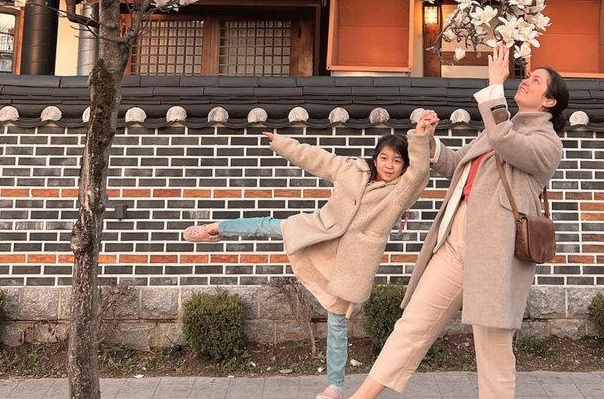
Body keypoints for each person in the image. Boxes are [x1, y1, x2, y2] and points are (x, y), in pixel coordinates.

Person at [349, 44, 568, 399]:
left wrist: (495, 88)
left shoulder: (547, 142)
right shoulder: (499, 126)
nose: (526, 81)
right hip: (454, 242)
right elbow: (456, 165)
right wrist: (427, 141)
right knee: (412, 326)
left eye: (536, 80)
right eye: (526, 76)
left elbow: (505, 140)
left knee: (493, 349)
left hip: (496, 253)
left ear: (549, 101)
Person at [183, 122, 435, 399]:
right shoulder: (352, 170)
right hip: (319, 234)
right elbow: (316, 158)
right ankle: (214, 229)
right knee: (270, 225)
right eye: (384, 157)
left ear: (403, 166)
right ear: (374, 158)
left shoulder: (400, 192)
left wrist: (421, 137)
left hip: (350, 265)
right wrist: (281, 143)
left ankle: (335, 387)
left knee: (337, 320)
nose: (389, 165)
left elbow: (420, 172)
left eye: (397, 161)